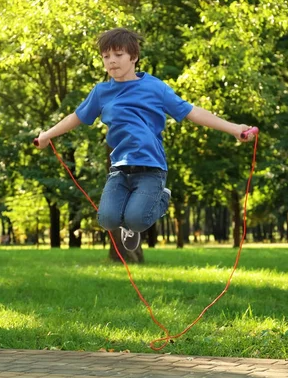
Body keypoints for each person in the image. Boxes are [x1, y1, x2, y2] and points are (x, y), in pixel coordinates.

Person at [35, 28, 255, 251]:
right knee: (107, 220)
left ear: (134, 56)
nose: (111, 61)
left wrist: (234, 128)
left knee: (138, 220)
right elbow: (76, 117)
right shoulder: (101, 92)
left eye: (118, 55)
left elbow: (191, 112)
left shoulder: (154, 87)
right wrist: (47, 135)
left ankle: (162, 197)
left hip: (151, 168)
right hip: (120, 168)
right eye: (106, 57)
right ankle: (128, 224)